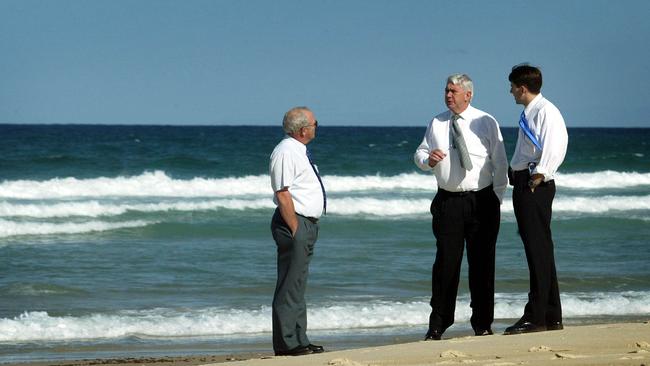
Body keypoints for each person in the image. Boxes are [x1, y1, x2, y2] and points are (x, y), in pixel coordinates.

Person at [414, 74, 508, 340]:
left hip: (482, 201)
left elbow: (500, 163)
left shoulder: (486, 121)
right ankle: (438, 324)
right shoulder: (436, 122)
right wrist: (427, 160)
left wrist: (496, 199)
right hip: (447, 202)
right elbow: (419, 153)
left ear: (468, 95)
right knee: (445, 264)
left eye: (453, 91)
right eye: (446, 90)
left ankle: (482, 323)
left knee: (482, 264)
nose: (448, 95)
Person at [504, 64, 568, 335]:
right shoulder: (530, 112)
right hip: (525, 180)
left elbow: (556, 143)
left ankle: (536, 316)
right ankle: (551, 315)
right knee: (540, 249)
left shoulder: (546, 111)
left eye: (512, 87)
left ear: (522, 87)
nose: (510, 92)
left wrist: (538, 176)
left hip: (534, 185)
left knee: (537, 251)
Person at [269, 106, 326, 356]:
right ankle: (287, 343)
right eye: (315, 123)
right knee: (289, 285)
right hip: (294, 223)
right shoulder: (285, 152)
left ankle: (300, 338)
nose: (316, 127)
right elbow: (282, 193)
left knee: (298, 284)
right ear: (303, 129)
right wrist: (294, 227)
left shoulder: (298, 150)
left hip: (306, 223)